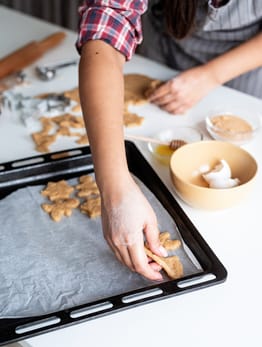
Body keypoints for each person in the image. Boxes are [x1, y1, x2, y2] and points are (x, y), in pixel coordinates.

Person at [76, 0, 262, 281]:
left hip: (244, 77)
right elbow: (108, 20)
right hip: (165, 56)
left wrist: (211, 75)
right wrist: (116, 189)